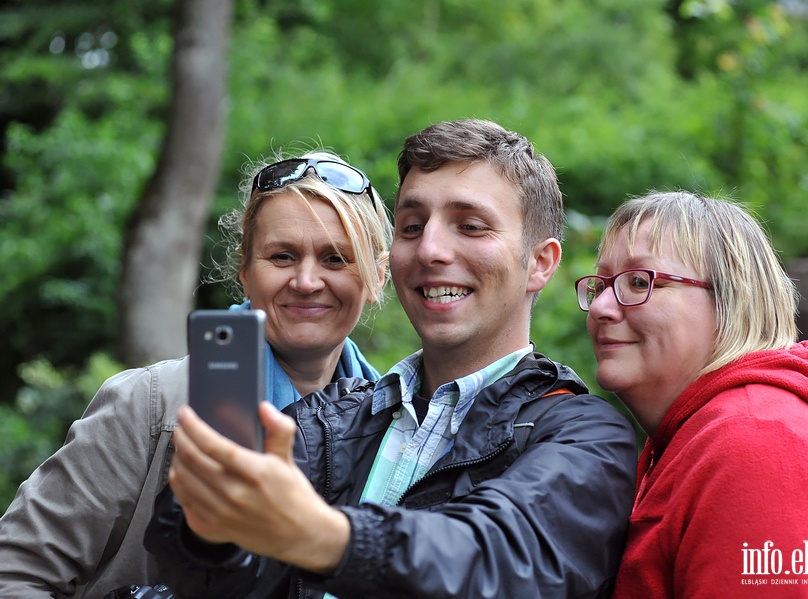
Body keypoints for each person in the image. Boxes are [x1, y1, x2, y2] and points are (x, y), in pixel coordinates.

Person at [144, 118, 638, 598]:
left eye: (470, 225)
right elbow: (203, 569)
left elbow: (498, 557)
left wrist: (325, 536)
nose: (430, 249)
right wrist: (207, 521)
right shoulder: (335, 417)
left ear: (540, 263)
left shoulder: (585, 435)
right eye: (411, 225)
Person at [0, 149, 393, 598]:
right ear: (245, 270)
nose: (306, 281)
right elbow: (14, 574)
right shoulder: (150, 405)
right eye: (282, 256)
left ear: (377, 275)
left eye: (335, 259)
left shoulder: (400, 431)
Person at [574, 191, 808, 597]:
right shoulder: (703, 432)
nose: (602, 306)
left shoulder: (757, 440)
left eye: (640, 281)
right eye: (601, 284)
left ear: (730, 301)